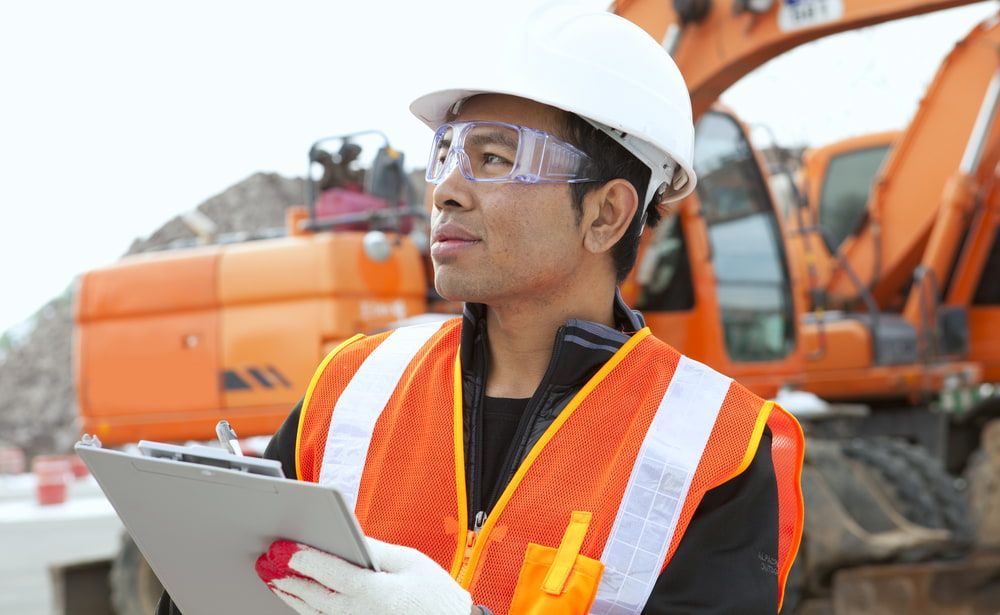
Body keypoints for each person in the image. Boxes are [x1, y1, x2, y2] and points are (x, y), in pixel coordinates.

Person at [158, 5, 803, 614]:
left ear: (605, 214)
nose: (446, 191)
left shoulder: (718, 448)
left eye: (495, 158)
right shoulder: (353, 390)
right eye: (447, 154)